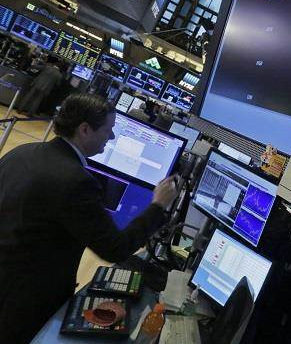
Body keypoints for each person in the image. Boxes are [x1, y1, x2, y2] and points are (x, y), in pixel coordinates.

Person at [0, 94, 178, 343]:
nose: (112, 137)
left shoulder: (22, 152)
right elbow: (115, 248)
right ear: (84, 129)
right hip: (24, 300)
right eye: (108, 130)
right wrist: (158, 205)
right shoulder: (75, 181)